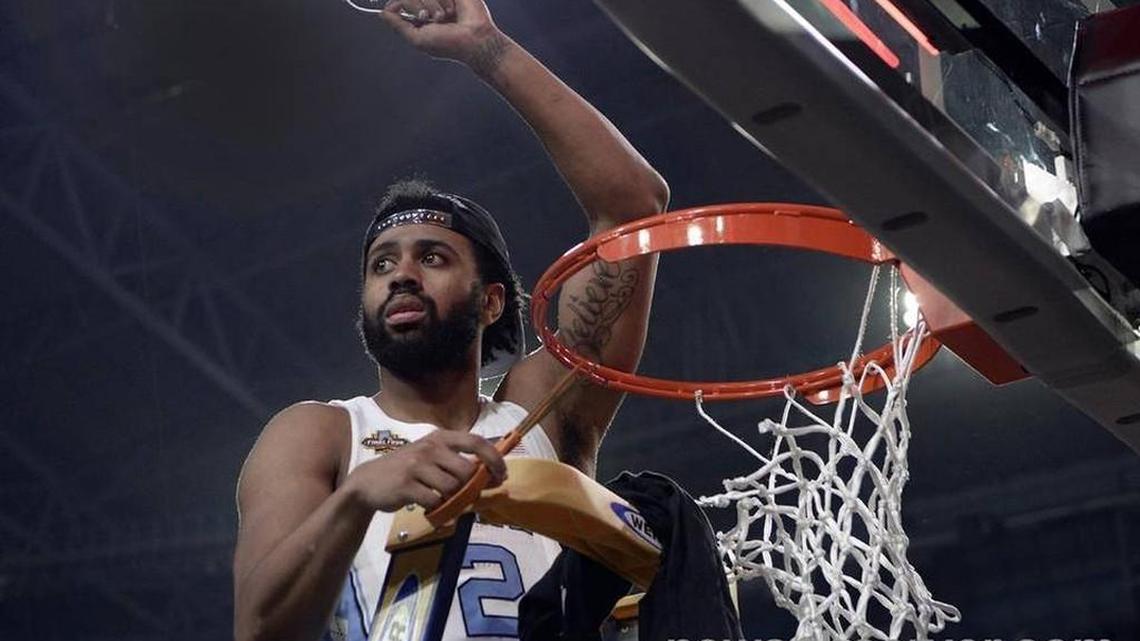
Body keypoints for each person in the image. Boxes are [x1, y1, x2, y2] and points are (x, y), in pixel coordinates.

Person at [231, 1, 669, 640]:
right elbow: (258, 628)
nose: (401, 274)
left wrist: (485, 48)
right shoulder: (321, 433)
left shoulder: (539, 416)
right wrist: (360, 496)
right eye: (382, 264)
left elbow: (634, 207)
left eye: (431, 257)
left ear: (492, 301)